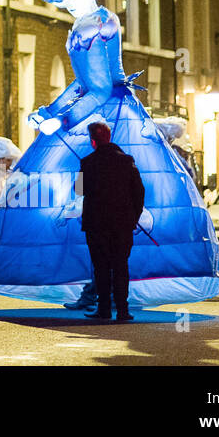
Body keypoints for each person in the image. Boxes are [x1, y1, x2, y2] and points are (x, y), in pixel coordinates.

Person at [0, 0, 219, 309]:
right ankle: (100, 287)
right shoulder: (92, 21)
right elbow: (84, 83)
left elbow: (96, 89)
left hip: (106, 112)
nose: (69, 2)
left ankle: (105, 289)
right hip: (109, 109)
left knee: (78, 194)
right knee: (80, 199)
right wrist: (50, 110)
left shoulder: (94, 25)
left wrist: (61, 119)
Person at [78, 121, 146, 321]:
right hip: (122, 223)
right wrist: (134, 216)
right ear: (109, 137)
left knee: (101, 267)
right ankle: (123, 309)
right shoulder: (126, 161)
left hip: (96, 224)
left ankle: (104, 308)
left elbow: (80, 191)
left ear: (92, 141)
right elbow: (139, 191)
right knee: (120, 265)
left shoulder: (87, 162)